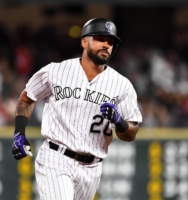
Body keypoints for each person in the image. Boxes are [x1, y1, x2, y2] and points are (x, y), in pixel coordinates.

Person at [11, 18, 142, 200]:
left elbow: (131, 133)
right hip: (56, 157)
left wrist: (118, 121)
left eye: (110, 42)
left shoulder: (122, 85)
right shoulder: (56, 71)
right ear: (84, 41)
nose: (106, 45)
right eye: (100, 39)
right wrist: (19, 132)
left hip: (92, 169)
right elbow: (27, 98)